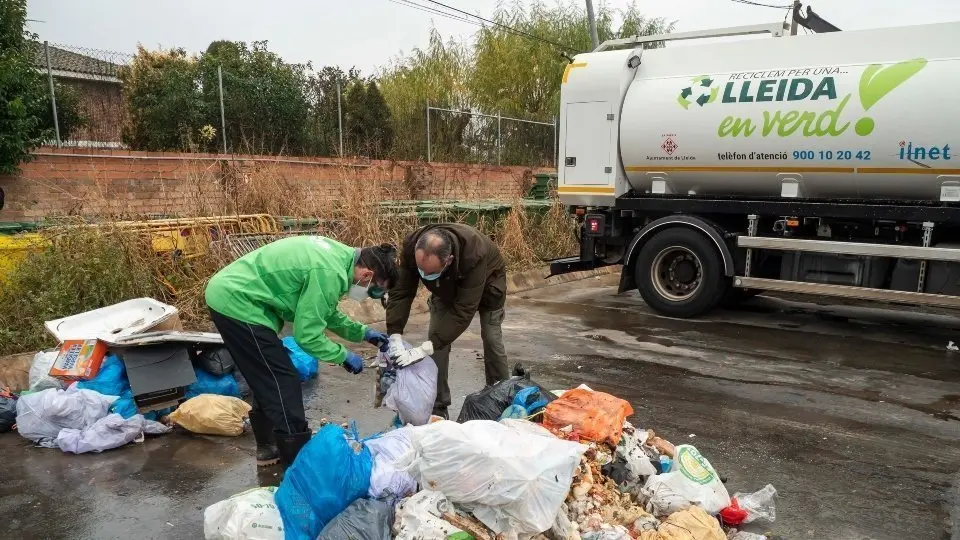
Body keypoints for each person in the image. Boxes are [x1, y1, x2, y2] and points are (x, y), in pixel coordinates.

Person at [205, 235, 397, 469]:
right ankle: (296, 463)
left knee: (268, 376)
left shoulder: (340, 257)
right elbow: (307, 336)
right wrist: (342, 355)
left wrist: (362, 332)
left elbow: (324, 312)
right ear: (367, 275)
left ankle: (268, 448)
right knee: (284, 380)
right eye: (373, 291)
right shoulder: (330, 273)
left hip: (237, 296)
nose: (367, 295)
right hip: (238, 303)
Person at [385, 223, 509, 419]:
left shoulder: (475, 252)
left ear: (449, 260)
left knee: (491, 338)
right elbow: (401, 292)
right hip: (443, 287)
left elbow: (463, 311)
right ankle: (437, 407)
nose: (424, 275)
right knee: (437, 342)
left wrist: (424, 348)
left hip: (488, 285)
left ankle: (502, 396)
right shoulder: (412, 245)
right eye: (421, 270)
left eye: (430, 271)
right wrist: (394, 334)